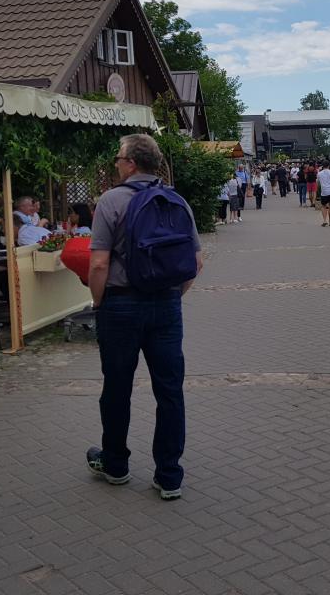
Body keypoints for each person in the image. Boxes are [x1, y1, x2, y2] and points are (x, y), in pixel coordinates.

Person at [86, 133, 203, 501]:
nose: (116, 164)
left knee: (117, 389)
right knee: (169, 391)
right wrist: (172, 296)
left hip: (120, 305)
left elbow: (99, 263)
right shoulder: (177, 201)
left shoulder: (111, 201)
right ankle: (169, 476)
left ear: (132, 163)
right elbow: (195, 263)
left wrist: (99, 303)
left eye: (119, 158)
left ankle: (116, 465)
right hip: (166, 306)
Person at [316, 161, 330, 226]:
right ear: (329, 165)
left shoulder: (319, 173)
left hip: (324, 192)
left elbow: (318, 183)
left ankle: (324, 220)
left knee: (323, 206)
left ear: (322, 166)